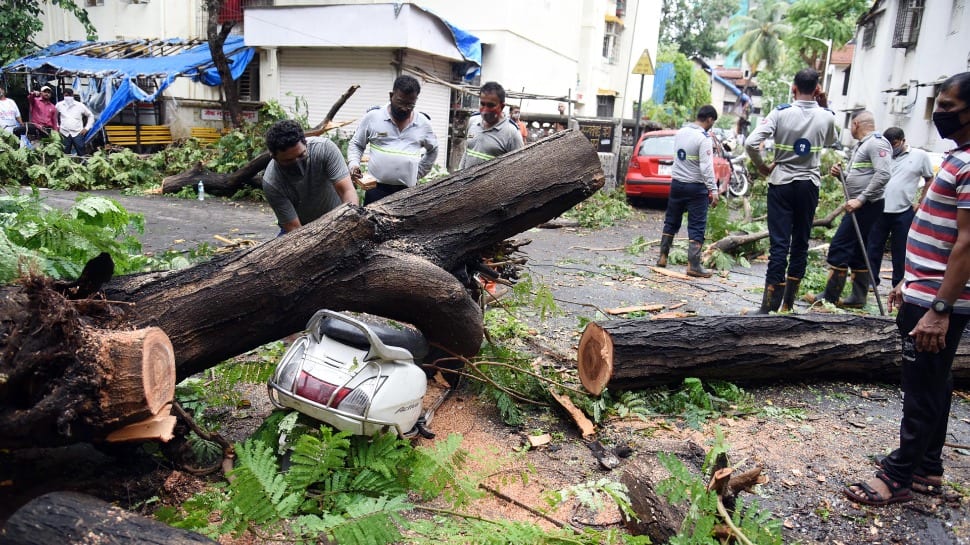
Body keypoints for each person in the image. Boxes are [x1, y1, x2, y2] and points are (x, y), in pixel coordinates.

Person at [843, 71, 970, 508]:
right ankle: (927, 470)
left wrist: (939, 306)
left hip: (938, 299)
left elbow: (967, 243)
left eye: (949, 108)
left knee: (922, 387)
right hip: (927, 288)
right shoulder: (959, 156)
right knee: (935, 381)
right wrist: (908, 279)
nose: (939, 114)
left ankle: (897, 476)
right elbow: (941, 234)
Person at [745, 68, 837, 313]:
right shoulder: (826, 116)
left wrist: (763, 166)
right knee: (801, 243)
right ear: (817, 89)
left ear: (793, 88)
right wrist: (825, 106)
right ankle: (787, 305)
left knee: (779, 244)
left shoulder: (780, 113)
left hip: (782, 182)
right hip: (809, 185)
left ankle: (767, 308)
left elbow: (750, 143)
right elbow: (831, 141)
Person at [806, 110, 892, 308]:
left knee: (839, 246)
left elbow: (884, 174)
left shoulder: (877, 143)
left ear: (855, 124)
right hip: (861, 204)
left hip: (867, 205)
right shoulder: (863, 145)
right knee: (857, 252)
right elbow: (864, 175)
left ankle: (829, 297)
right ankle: (858, 298)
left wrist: (861, 200)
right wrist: (841, 175)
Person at [347, 75, 438, 205]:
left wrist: (418, 172)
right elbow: (356, 144)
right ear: (391, 96)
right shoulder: (373, 117)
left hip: (408, 193)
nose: (404, 108)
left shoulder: (423, 123)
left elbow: (433, 149)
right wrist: (354, 164)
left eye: (410, 104)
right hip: (376, 191)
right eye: (400, 102)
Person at [865, 127, 934, 290]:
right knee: (873, 247)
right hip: (879, 209)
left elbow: (929, 179)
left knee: (901, 251)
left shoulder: (920, 156)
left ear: (903, 141)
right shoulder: (883, 154)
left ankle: (899, 285)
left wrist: (921, 203)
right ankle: (870, 282)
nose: (892, 148)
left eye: (894, 144)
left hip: (904, 211)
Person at [655, 105, 720, 278]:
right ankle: (694, 265)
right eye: (712, 122)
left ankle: (662, 256)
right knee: (697, 225)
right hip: (695, 187)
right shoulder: (703, 138)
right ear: (709, 119)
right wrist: (713, 190)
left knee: (671, 220)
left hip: (677, 184)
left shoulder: (681, 132)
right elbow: (706, 167)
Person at [261, 119, 358, 234]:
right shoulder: (272, 182)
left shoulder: (324, 149)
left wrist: (351, 222)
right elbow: (294, 229)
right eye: (289, 160)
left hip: (338, 219)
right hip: (301, 228)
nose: (297, 163)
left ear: (305, 143)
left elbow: (346, 191)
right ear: (274, 157)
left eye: (301, 155)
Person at [460, 81, 524, 169]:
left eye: (491, 105)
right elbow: (467, 152)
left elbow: (518, 168)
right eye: (482, 104)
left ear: (502, 106)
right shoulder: (473, 121)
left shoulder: (512, 133)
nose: (485, 110)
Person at [56, 88, 94, 156]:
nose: (68, 97)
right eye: (66, 95)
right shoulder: (59, 105)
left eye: (70, 95)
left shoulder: (80, 105)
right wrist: (57, 126)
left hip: (77, 133)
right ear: (63, 96)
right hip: (64, 133)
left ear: (73, 95)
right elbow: (53, 116)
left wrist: (86, 128)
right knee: (64, 154)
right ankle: (66, 166)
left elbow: (90, 115)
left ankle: (82, 165)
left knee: (81, 152)